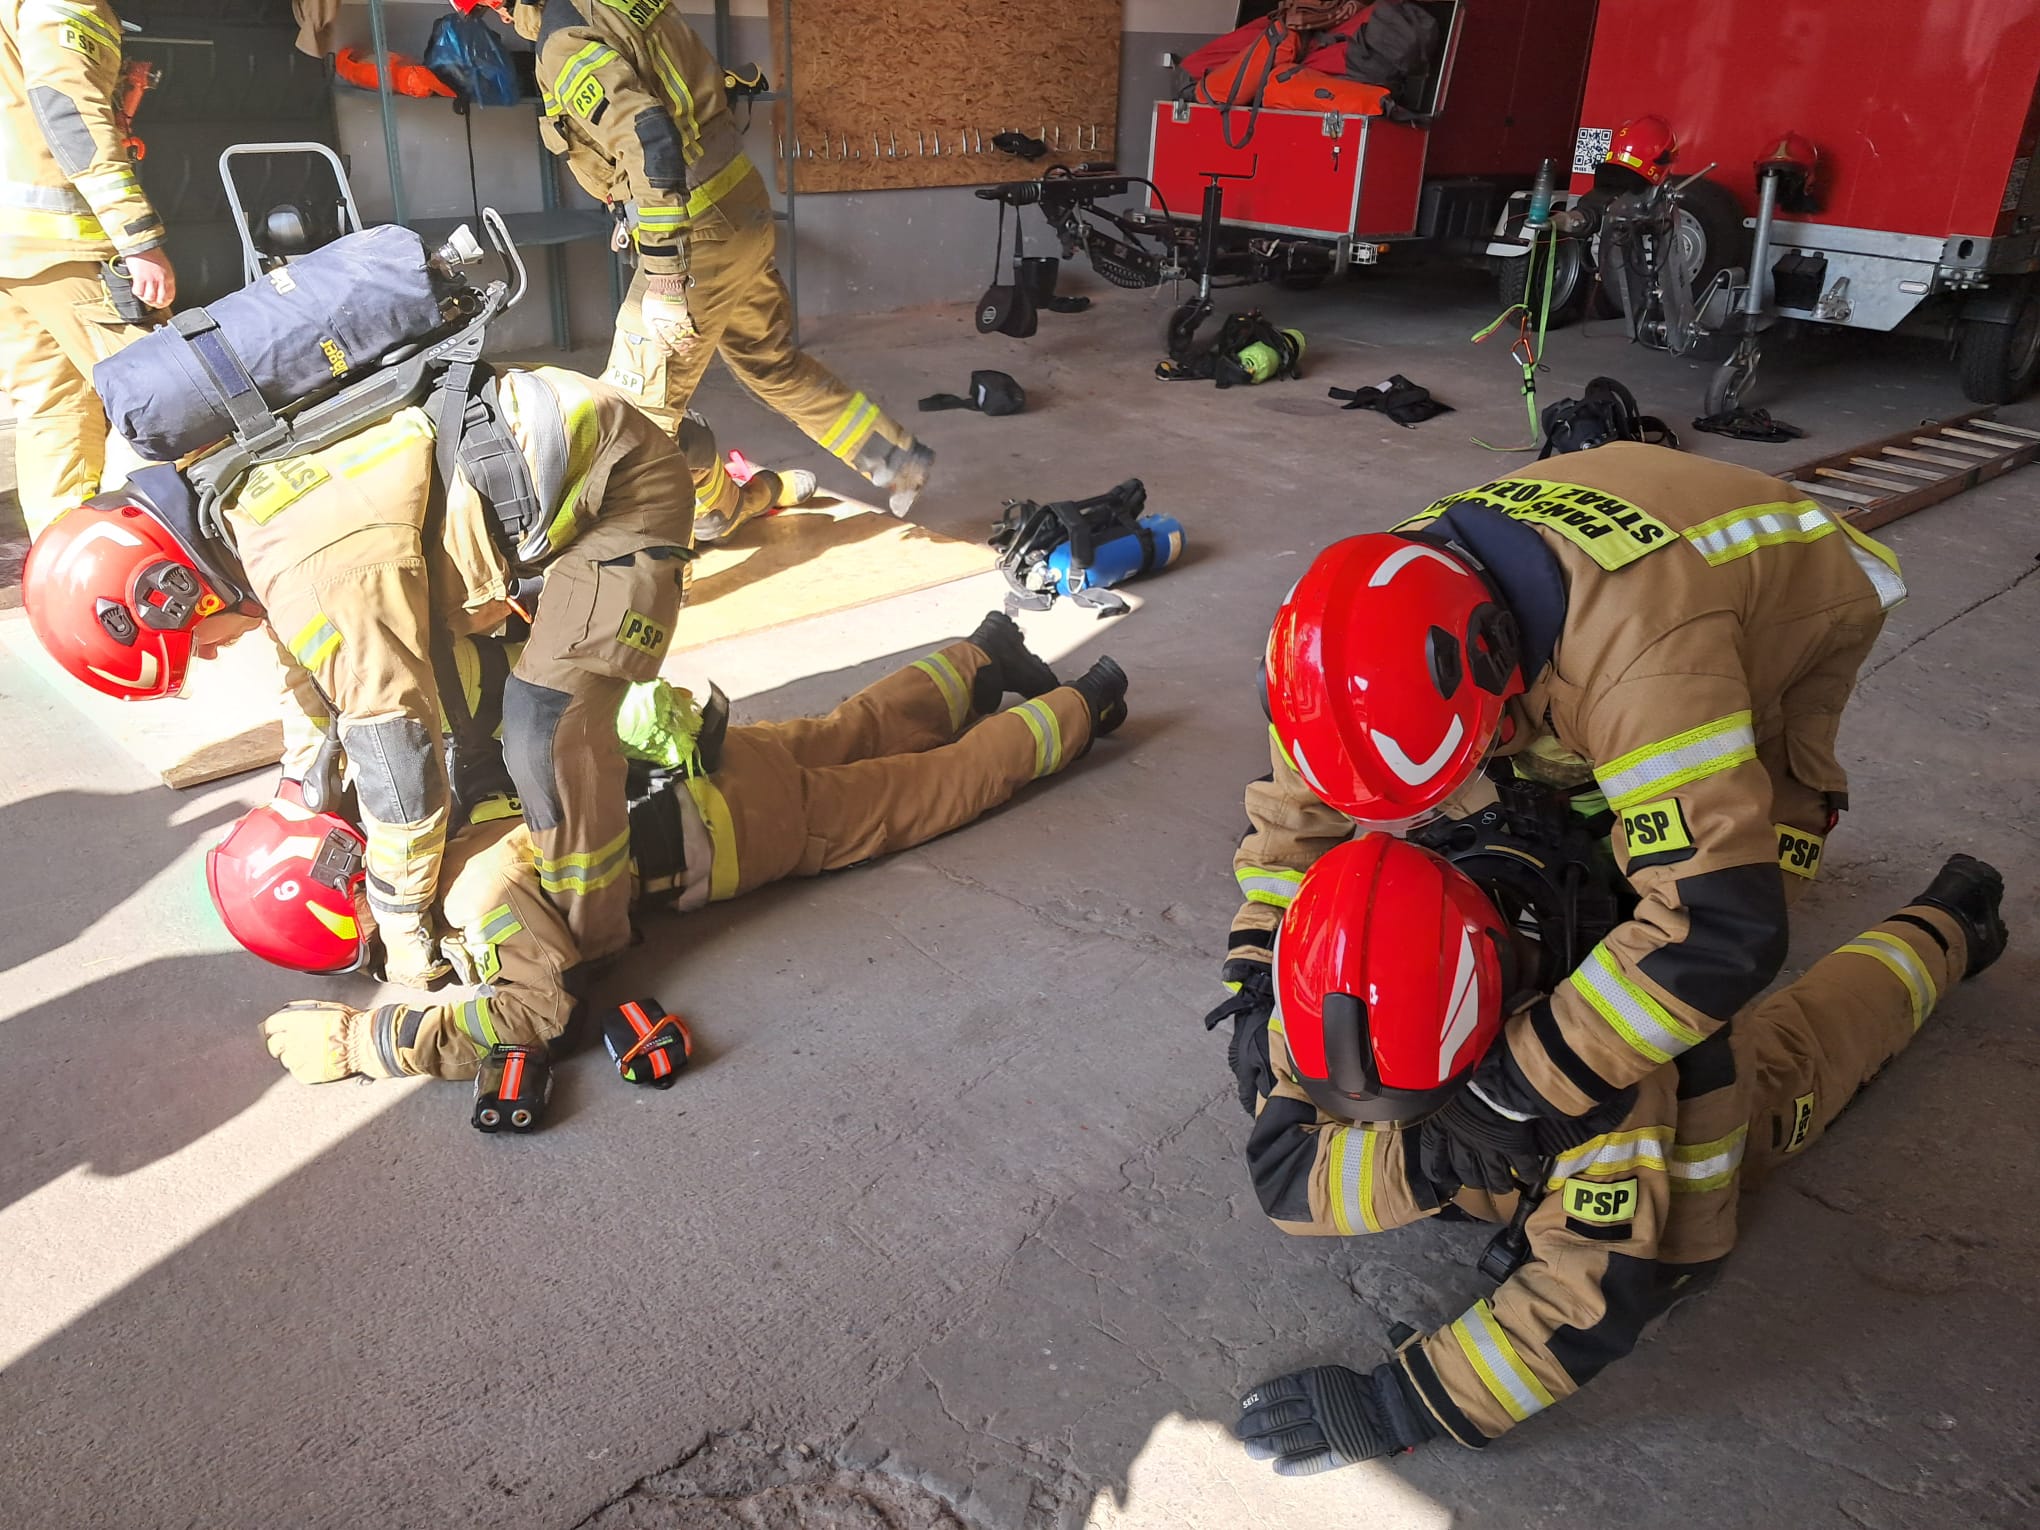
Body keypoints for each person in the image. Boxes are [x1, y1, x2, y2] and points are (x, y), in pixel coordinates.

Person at [1212, 443, 1909, 1195]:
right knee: (1545, 808)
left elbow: (1721, 929)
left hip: (1792, 592)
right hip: (1599, 573)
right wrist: (1257, 968)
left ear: (1498, 660)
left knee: (1698, 982)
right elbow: (1294, 818)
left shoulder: (1646, 667)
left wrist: (1510, 1096)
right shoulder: (1346, 640)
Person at [1231, 830, 2006, 1469]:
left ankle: (1949, 923)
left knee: (1819, 1044)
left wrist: (1403, 1402)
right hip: (1498, 1133)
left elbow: (1585, 1302)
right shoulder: (1340, 958)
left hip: (1683, 1132)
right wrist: (1437, 1150)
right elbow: (1290, 1178)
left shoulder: (1596, 1078)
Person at [236, 618, 1130, 1083]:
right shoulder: (440, 819)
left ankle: (1084, 706)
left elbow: (539, 1015)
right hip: (705, 752)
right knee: (850, 728)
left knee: (929, 790)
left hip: (744, 833)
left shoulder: (474, 900)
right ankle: (982, 657)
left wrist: (367, 1043)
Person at [22, 365, 692, 985]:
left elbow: (401, 767)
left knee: (546, 728)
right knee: (443, 690)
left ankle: (591, 943)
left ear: (179, 596)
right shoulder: (236, 521)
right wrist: (300, 791)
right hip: (547, 452)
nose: (211, 655)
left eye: (195, 647)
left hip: (620, 486)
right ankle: (580, 786)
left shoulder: (311, 576)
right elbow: (311, 680)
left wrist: (400, 924)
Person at [455, 0, 937, 528]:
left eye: (491, 8)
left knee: (632, 416)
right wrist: (631, 208)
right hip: (738, 200)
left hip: (697, 228)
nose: (499, 19)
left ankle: (678, 545)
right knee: (771, 364)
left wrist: (665, 277)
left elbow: (648, 135)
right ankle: (895, 459)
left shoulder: (562, 40)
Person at [0, 0, 173, 537]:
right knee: (168, 394)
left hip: (12, 251)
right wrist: (138, 238)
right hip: (65, 245)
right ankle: (168, 551)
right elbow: (69, 113)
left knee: (54, 408)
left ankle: (69, 567)